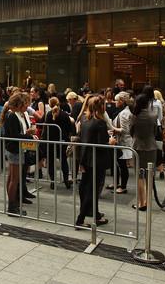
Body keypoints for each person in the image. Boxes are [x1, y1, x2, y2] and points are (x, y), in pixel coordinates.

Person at [76, 96, 114, 228]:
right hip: (97, 160)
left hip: (86, 158)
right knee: (92, 190)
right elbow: (102, 143)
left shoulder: (84, 119)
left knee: (86, 187)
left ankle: (95, 215)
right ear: (101, 107)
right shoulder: (100, 123)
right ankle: (80, 220)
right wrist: (111, 142)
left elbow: (84, 140)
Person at [2, 92, 35, 216]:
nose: (26, 107)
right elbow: (14, 135)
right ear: (19, 105)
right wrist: (28, 135)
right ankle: (12, 207)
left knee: (12, 178)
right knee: (13, 179)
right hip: (15, 149)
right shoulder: (12, 116)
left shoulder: (14, 115)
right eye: (25, 105)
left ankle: (13, 204)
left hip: (16, 149)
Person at [130, 94, 158, 211]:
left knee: (139, 176)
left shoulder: (134, 116)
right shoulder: (153, 115)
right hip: (151, 146)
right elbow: (155, 131)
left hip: (137, 146)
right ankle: (148, 202)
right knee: (149, 175)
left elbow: (131, 131)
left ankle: (141, 203)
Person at [44, 96, 72, 190]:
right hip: (62, 141)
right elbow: (69, 128)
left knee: (51, 161)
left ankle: (52, 181)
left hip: (51, 141)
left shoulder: (48, 114)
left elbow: (46, 128)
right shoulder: (65, 115)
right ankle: (66, 180)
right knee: (63, 161)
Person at [108, 92, 133, 194]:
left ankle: (123, 186)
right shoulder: (123, 111)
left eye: (117, 100)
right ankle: (117, 183)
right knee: (118, 164)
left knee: (122, 166)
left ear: (122, 101)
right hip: (120, 141)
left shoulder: (124, 113)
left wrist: (112, 128)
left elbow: (124, 130)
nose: (115, 102)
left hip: (123, 142)